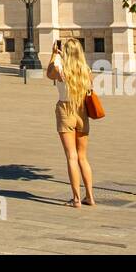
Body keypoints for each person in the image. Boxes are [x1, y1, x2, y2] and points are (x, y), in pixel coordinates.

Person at [47, 38, 96, 208]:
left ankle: (76, 199)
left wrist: (54, 54)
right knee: (83, 157)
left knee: (71, 156)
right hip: (82, 112)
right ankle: (90, 196)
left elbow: (48, 73)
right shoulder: (86, 70)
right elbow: (90, 87)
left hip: (66, 111)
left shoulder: (60, 70)